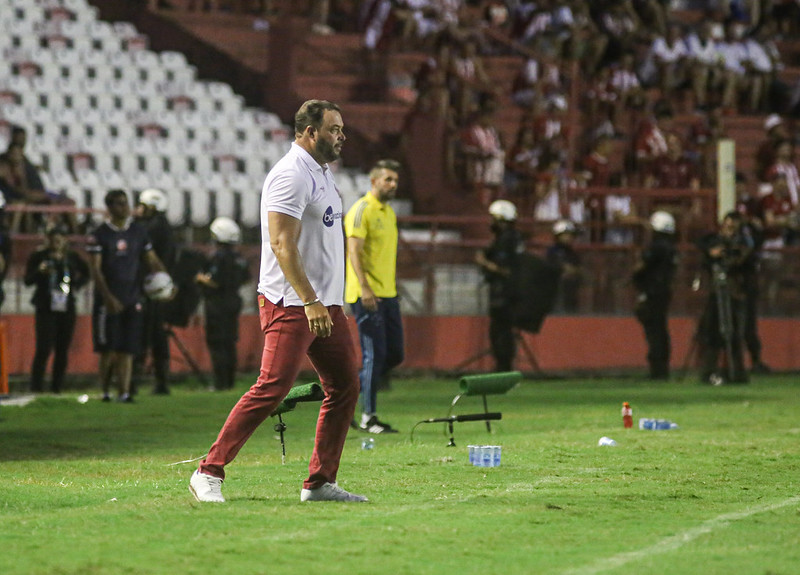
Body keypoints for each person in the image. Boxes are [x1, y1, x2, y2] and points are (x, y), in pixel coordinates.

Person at [189, 100, 367, 504]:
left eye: (342, 129)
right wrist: (309, 300)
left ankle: (320, 483)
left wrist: (326, 300)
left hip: (324, 304)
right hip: (293, 302)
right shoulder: (289, 174)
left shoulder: (322, 174)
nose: (342, 136)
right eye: (335, 129)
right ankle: (208, 471)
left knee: (344, 386)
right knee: (272, 387)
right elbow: (282, 243)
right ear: (309, 132)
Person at [86, 189, 168, 403]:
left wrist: (166, 282)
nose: (124, 207)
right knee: (107, 349)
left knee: (127, 349)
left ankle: (124, 392)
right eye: (119, 203)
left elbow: (151, 259)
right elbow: (95, 270)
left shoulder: (138, 232)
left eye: (126, 203)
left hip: (132, 297)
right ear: (110, 207)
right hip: (108, 299)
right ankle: (104, 391)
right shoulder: (100, 234)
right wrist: (108, 297)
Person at [344, 159, 404, 434]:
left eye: (395, 180)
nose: (393, 184)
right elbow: (353, 251)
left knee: (394, 354)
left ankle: (346, 396)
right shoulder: (361, 210)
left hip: (388, 294)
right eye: (388, 179)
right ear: (373, 181)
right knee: (373, 355)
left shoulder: (388, 213)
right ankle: (369, 416)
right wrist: (364, 288)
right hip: (366, 295)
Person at [23, 224, 90, 393]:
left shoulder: (72, 257)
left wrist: (77, 285)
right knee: (44, 347)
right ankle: (36, 386)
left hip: (66, 305)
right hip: (45, 305)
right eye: (53, 239)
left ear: (65, 240)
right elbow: (27, 281)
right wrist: (39, 272)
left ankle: (56, 387)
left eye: (60, 239)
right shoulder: (39, 256)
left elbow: (87, 273)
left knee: (62, 349)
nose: (56, 243)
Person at [195, 217, 251, 391]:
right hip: (233, 301)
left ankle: (220, 383)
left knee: (217, 342)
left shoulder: (218, 258)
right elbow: (245, 278)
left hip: (217, 304)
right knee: (229, 342)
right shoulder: (239, 258)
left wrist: (200, 279)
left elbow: (215, 281)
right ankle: (229, 381)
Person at [696, 211, 751, 385]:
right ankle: (709, 372)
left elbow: (742, 260)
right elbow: (703, 247)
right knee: (712, 333)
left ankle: (736, 372)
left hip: (734, 292)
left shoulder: (743, 243)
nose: (729, 230)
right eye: (727, 226)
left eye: (733, 227)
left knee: (734, 333)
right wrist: (713, 251)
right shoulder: (712, 240)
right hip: (716, 293)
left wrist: (730, 251)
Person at [134, 188, 176, 395]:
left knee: (143, 334)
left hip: (149, 286)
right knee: (159, 336)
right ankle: (161, 380)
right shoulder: (166, 227)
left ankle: (133, 379)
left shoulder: (151, 228)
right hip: (160, 285)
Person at [475, 199, 524, 372]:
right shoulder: (512, 239)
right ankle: (503, 366)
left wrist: (485, 263)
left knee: (500, 332)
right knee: (501, 331)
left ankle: (503, 368)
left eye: (494, 219)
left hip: (505, 293)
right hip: (508, 293)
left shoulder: (506, 240)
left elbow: (506, 270)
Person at [632, 211, 677, 380]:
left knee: (654, 331)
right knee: (661, 329)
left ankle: (657, 368)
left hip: (652, 291)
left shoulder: (656, 247)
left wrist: (634, 278)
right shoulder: (672, 248)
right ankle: (662, 367)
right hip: (664, 291)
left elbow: (641, 267)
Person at [546, 219, 581, 313]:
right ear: (558, 236)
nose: (568, 238)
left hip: (571, 284)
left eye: (570, 235)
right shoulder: (552, 251)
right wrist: (563, 269)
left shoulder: (573, 253)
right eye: (565, 235)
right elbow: (551, 266)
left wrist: (574, 271)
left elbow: (577, 267)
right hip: (555, 285)